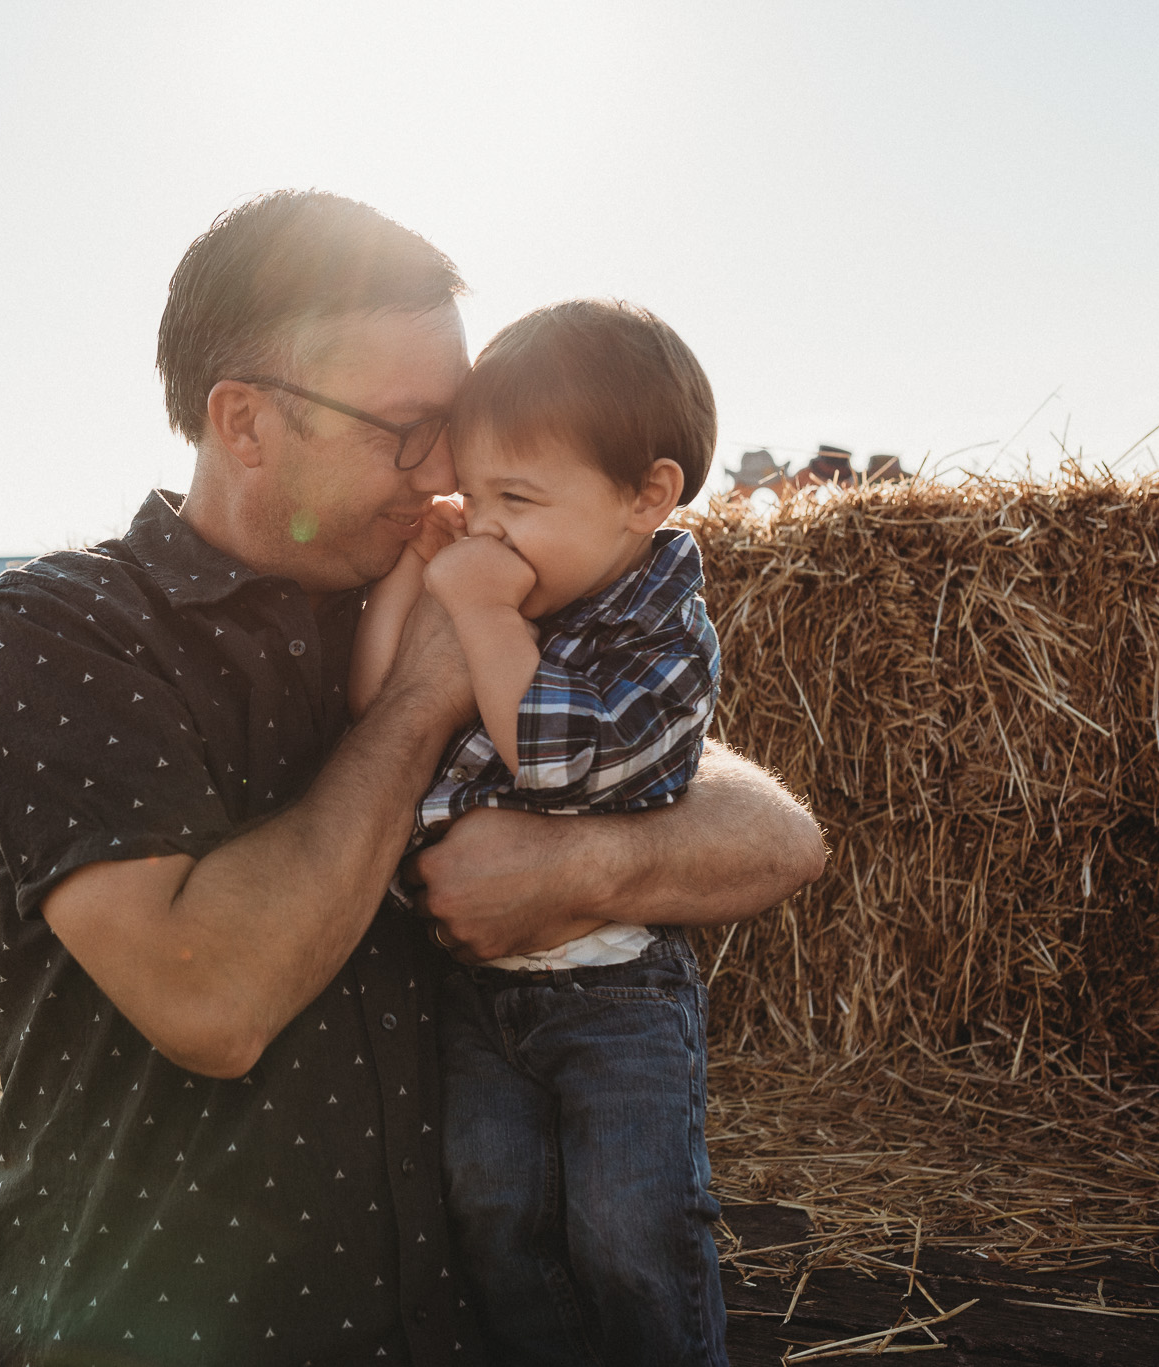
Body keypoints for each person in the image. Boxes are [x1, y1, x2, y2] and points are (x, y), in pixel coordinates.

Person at [0, 190, 825, 1365]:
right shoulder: (65, 629)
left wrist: (579, 858)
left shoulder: (438, 589)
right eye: (405, 428)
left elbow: (774, 836)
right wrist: (421, 695)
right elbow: (210, 1001)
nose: (448, 469)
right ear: (245, 422)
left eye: (455, 427)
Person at [350, 299, 727, 1365]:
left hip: (615, 996)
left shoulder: (660, 626)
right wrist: (412, 580)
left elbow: (560, 760)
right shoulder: (511, 581)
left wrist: (477, 612)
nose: (488, 527)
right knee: (495, 1218)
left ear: (644, 494)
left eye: (518, 497)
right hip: (478, 991)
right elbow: (377, 699)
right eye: (480, 496)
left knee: (629, 1232)